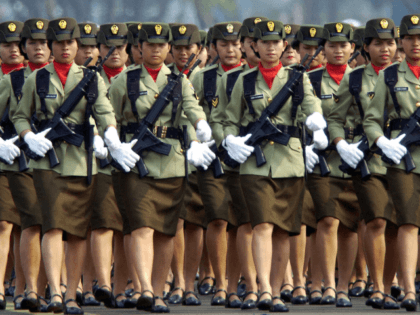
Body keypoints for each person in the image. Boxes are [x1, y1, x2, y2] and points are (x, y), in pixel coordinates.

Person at [12, 17, 118, 315]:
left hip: (82, 162)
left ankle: (72, 293)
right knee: (53, 225)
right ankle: (56, 291)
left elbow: (105, 112)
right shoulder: (38, 78)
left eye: (70, 42)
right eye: (58, 43)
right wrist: (28, 136)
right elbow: (21, 115)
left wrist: (110, 137)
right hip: (48, 163)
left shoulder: (90, 77)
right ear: (51, 45)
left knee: (77, 231)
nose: (65, 47)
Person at [107, 22, 212, 313]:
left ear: (168, 49)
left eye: (161, 45)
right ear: (139, 48)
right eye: (149, 45)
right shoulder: (125, 80)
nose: (155, 49)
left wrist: (201, 126)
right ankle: (144, 288)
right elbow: (106, 113)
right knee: (141, 226)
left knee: (166, 232)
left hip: (171, 164)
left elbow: (191, 108)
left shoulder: (179, 81)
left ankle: (157, 290)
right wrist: (113, 142)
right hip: (136, 163)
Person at [223, 20, 325, 312]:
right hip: (255, 164)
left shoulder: (297, 78)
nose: (270, 47)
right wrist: (230, 138)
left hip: (289, 161)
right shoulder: (244, 80)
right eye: (264, 42)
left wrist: (316, 122)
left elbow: (311, 106)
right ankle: (264, 288)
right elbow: (230, 118)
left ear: (284, 46)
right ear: (254, 46)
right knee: (263, 225)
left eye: (275, 42)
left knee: (284, 230)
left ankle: (278, 290)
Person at [328, 18, 400, 309]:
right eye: (378, 43)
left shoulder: (408, 76)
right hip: (367, 161)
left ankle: (392, 282)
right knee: (377, 220)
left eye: (390, 43)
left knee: (397, 224)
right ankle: (378, 286)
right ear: (365, 47)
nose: (385, 49)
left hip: (402, 161)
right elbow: (335, 118)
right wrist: (340, 144)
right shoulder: (355, 79)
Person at [209, 16, 268, 310]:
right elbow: (218, 120)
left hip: (261, 162)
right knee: (234, 224)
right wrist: (227, 141)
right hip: (231, 160)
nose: (237, 49)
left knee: (248, 224)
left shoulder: (278, 77)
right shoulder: (229, 79)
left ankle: (250, 285)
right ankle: (232, 285)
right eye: (250, 42)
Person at [363, 13, 420, 312]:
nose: (415, 43)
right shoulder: (390, 76)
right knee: (408, 223)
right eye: (410, 38)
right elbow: (372, 119)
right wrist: (382, 141)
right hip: (404, 159)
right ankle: (408, 289)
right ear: (401, 43)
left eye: (419, 38)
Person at [305, 22, 360, 308]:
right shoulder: (311, 80)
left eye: (343, 45)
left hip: (354, 158)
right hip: (323, 159)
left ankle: (343, 286)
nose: (338, 50)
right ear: (322, 49)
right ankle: (325, 283)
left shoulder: (362, 79)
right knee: (326, 221)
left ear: (352, 48)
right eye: (332, 45)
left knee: (350, 225)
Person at [191, 21, 245, 307]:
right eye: (224, 44)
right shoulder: (202, 77)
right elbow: (189, 111)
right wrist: (196, 143)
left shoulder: (250, 76)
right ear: (213, 48)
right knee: (217, 217)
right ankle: (220, 282)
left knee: (238, 221)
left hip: (244, 156)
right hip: (211, 157)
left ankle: (235, 285)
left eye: (236, 44)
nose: (231, 49)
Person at [164, 23, 206, 306]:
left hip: (203, 156)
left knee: (197, 223)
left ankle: (191, 281)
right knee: (176, 222)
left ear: (199, 50)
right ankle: (178, 280)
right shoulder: (166, 78)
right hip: (172, 156)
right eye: (177, 48)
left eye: (188, 48)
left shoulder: (205, 78)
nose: (182, 53)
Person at [289, 24, 326, 305]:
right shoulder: (292, 79)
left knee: (323, 221)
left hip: (328, 159)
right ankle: (295, 278)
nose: (310, 54)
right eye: (305, 49)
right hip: (294, 156)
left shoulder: (330, 79)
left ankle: (319, 279)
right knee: (299, 220)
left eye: (316, 50)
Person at [0, 20, 26, 312]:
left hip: (30, 156)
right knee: (4, 223)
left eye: (18, 44)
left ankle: (21, 285)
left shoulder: (34, 76)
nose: (14, 49)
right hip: (3, 154)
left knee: (25, 225)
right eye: (7, 44)